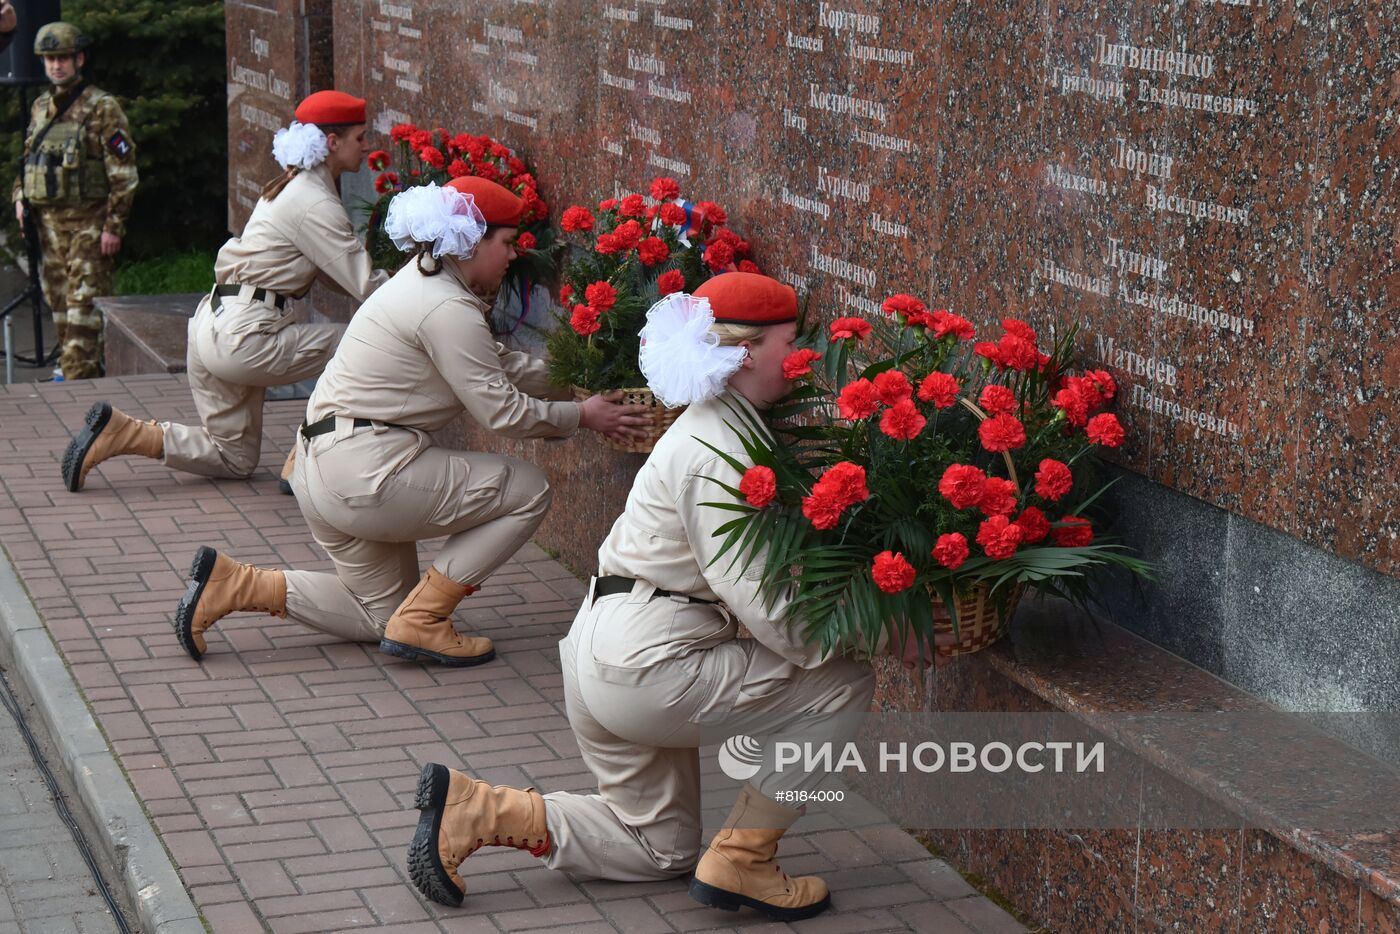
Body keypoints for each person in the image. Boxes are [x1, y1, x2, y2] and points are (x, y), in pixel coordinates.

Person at [402, 273, 938, 920]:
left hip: (602, 653)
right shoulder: (724, 451)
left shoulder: (719, 426)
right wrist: (881, 630)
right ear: (742, 352)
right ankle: (745, 860)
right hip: (648, 667)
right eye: (793, 342)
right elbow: (770, 612)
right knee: (841, 682)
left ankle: (478, 810)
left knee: (659, 847)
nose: (806, 358)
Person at [168, 175, 650, 667]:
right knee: (528, 490)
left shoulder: (422, 280)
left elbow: (495, 364)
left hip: (322, 467)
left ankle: (236, 584)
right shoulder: (448, 306)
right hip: (366, 473)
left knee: (380, 616)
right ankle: (426, 619)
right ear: (470, 241)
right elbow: (501, 411)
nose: (512, 256)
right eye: (506, 243)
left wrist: (575, 378)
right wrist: (583, 416)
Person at [59, 90, 388, 494]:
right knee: (359, 343)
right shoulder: (314, 201)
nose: (367, 145)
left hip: (210, 326)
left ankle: (125, 433)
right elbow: (367, 285)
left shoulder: (292, 186)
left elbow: (337, 273)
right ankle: (306, 454)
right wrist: (437, 288)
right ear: (333, 143)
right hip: (245, 338)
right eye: (360, 136)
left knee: (234, 458)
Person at [11, 21, 137, 381]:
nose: (56, 66)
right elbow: (26, 162)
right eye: (50, 59)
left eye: (63, 57)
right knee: (62, 313)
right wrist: (21, 199)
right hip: (47, 229)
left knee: (83, 315)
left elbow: (124, 173)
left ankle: (74, 391)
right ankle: (75, 381)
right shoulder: (40, 107)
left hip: (88, 226)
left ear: (79, 59)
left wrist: (113, 227)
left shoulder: (102, 108)